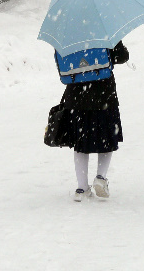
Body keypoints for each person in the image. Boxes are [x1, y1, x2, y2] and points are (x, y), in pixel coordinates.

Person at [59, 41, 129, 201]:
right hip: (103, 94)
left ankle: (82, 188)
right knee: (106, 138)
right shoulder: (103, 31)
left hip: (77, 95)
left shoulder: (69, 33)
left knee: (80, 143)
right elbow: (122, 56)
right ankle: (100, 177)